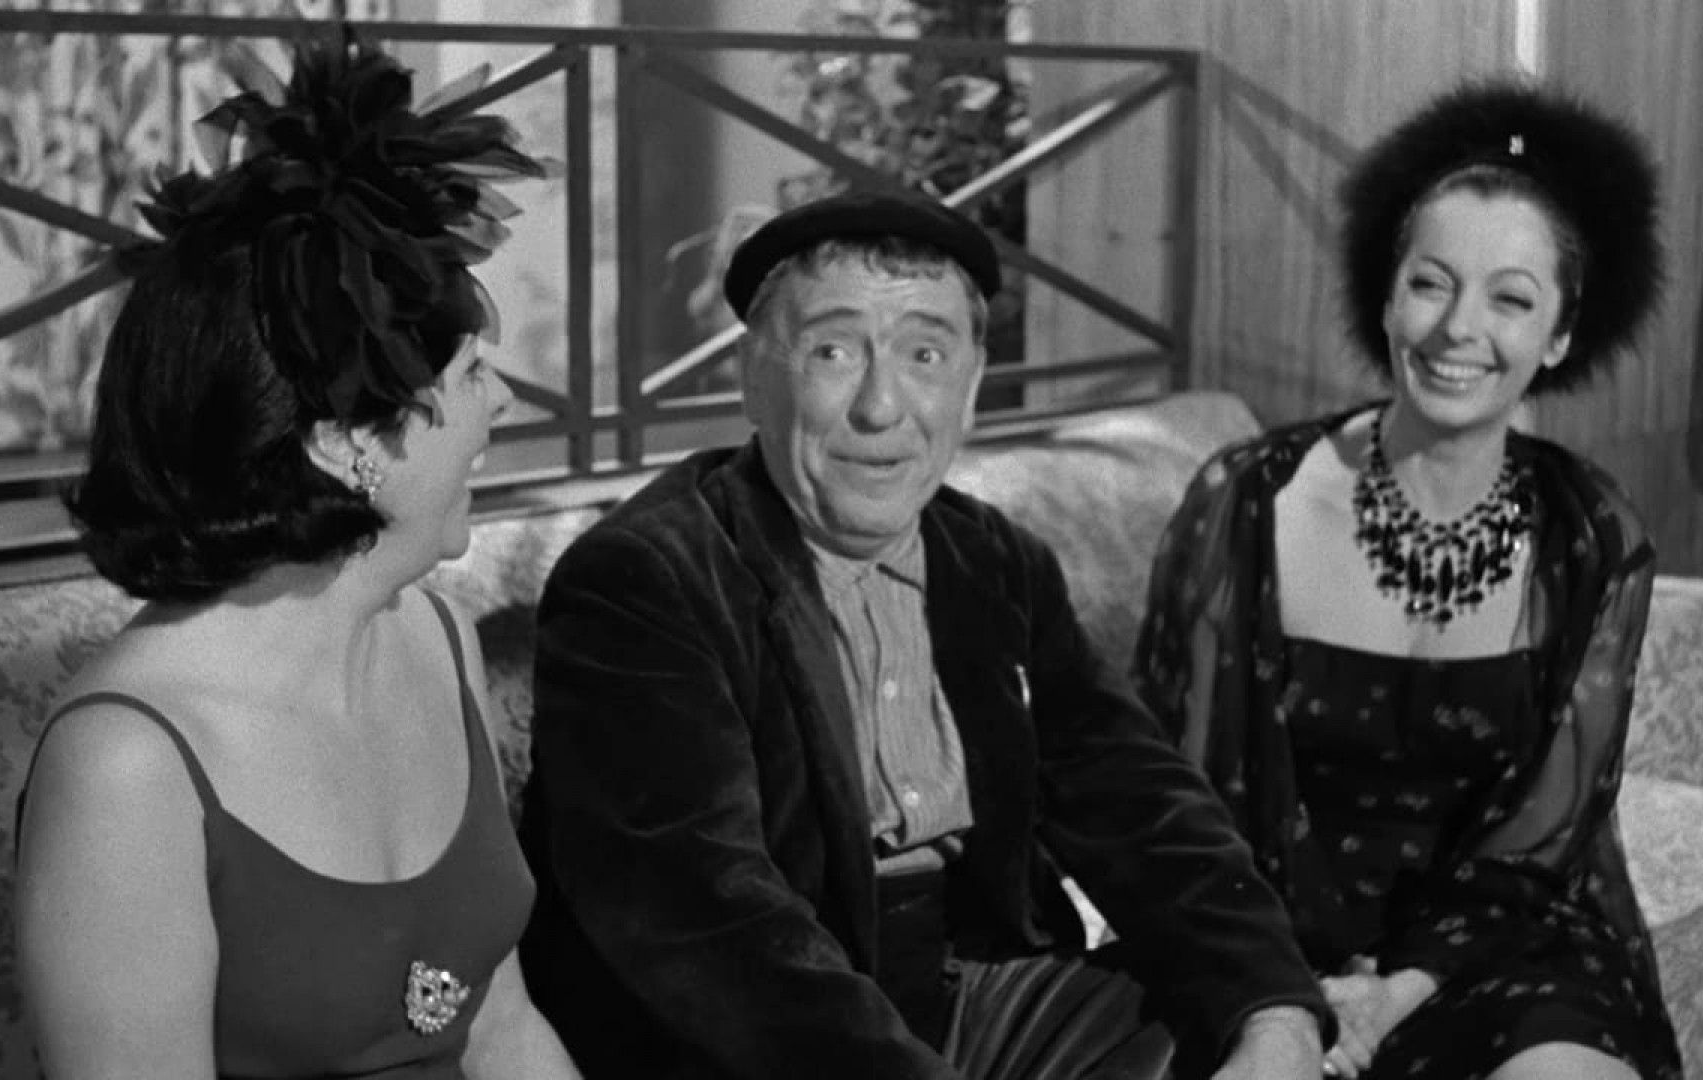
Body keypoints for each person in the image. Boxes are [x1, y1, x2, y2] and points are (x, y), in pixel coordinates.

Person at [516, 190, 1333, 1080]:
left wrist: (1275, 1010)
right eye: (833, 351)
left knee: (1219, 1020)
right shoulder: (645, 580)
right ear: (754, 377)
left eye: (926, 355)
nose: (882, 407)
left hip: (971, 993)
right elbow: (704, 919)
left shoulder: (994, 561)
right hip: (757, 1043)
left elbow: (1138, 800)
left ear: (971, 388)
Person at [13, 29, 580, 1080]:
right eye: (468, 374)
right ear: (343, 441)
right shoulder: (127, 767)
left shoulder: (439, 638)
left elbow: (501, 1031)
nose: (501, 401)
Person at [1132, 79, 1683, 1080]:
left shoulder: (1594, 536)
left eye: (1511, 299)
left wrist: (1397, 991)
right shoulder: (1242, 504)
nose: (1458, 328)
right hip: (1266, 951)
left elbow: (1549, 827)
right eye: (1431, 284)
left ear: (1559, 334)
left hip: (1505, 942)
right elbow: (1173, 790)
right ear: (1386, 298)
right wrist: (1282, 993)